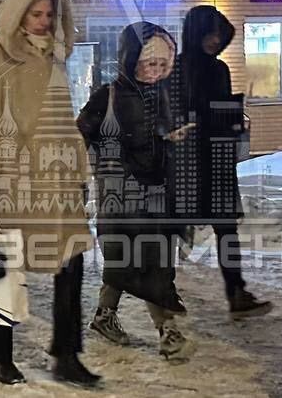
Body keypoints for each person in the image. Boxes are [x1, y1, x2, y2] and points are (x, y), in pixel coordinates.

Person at [0, 0, 98, 387]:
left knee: (72, 262)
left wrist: (78, 171)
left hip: (57, 181)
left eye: (49, 14)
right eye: (34, 13)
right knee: (3, 265)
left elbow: (63, 123)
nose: (42, 21)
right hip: (11, 177)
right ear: (18, 13)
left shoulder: (54, 56)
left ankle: (67, 353)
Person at [78, 22, 194, 362]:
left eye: (163, 65)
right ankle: (168, 333)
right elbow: (80, 134)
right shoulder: (107, 95)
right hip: (120, 194)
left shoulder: (160, 95)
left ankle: (103, 315)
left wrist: (172, 138)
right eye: (150, 64)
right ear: (131, 61)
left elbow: (158, 135)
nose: (156, 72)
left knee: (132, 261)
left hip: (155, 192)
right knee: (146, 262)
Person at [168, 5, 272, 319]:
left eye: (219, 35)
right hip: (187, 159)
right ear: (196, 32)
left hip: (217, 157)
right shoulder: (177, 68)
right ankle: (164, 289)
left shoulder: (219, 68)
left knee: (226, 228)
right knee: (173, 226)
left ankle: (236, 291)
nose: (215, 40)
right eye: (210, 33)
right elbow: (176, 114)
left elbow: (215, 110)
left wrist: (232, 120)